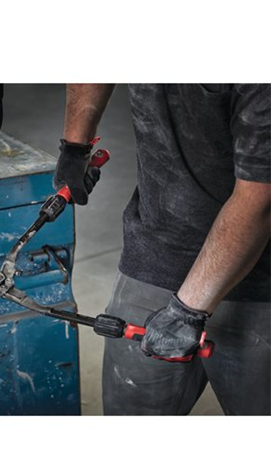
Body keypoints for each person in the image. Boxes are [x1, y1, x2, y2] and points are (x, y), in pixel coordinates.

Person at [54, 84, 271, 415]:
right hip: (155, 251)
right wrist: (75, 144)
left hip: (260, 284)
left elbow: (260, 200)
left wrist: (188, 310)